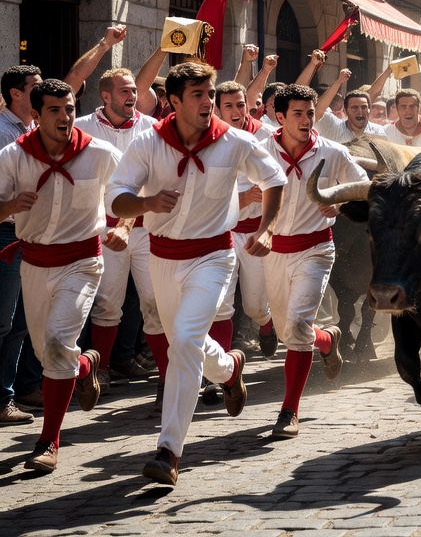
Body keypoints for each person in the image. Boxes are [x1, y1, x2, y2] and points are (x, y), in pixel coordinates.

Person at [108, 61, 287, 485]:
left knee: (185, 341)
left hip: (213, 256)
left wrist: (267, 229)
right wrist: (146, 204)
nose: (208, 102)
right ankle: (229, 370)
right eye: (198, 95)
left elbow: (274, 179)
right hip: (162, 257)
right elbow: (116, 197)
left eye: (210, 94)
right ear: (173, 101)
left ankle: (168, 450)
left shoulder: (235, 141)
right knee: (184, 341)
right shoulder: (148, 142)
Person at [0, 80, 121, 473]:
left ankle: (48, 440)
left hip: (82, 262)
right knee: (45, 353)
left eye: (69, 109)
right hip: (34, 263)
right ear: (35, 116)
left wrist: (125, 226)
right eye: (54, 110)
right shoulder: (13, 156)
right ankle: (83, 366)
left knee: (55, 343)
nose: (65, 117)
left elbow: (130, 190)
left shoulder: (99, 153)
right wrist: (10, 206)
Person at [263, 85, 366, 438]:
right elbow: (236, 185)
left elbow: (362, 186)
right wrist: (247, 196)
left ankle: (289, 411)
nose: (307, 120)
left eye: (310, 113)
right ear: (280, 117)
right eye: (298, 114)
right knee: (287, 332)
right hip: (274, 251)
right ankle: (326, 340)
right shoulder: (261, 150)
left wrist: (339, 202)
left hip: (316, 249)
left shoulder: (333, 152)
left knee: (296, 327)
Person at [74, 68, 158, 390]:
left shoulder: (151, 128)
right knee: (108, 302)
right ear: (106, 96)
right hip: (105, 232)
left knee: (155, 302)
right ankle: (102, 369)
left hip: (147, 229)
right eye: (125, 91)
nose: (133, 96)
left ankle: (167, 374)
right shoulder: (83, 127)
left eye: (134, 91)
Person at [210, 80, 278, 362]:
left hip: (255, 233)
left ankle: (266, 324)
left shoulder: (269, 136)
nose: (237, 111)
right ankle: (222, 366)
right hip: (222, 232)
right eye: (229, 106)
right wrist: (243, 198)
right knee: (220, 305)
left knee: (254, 307)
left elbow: (280, 182)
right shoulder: (210, 137)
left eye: (241, 105)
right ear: (218, 109)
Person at [0, 65, 41, 424]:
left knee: (22, 323)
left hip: (32, 234)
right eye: (34, 88)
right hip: (7, 232)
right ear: (15, 94)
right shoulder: (2, 133)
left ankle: (17, 390)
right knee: (3, 321)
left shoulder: (34, 128)